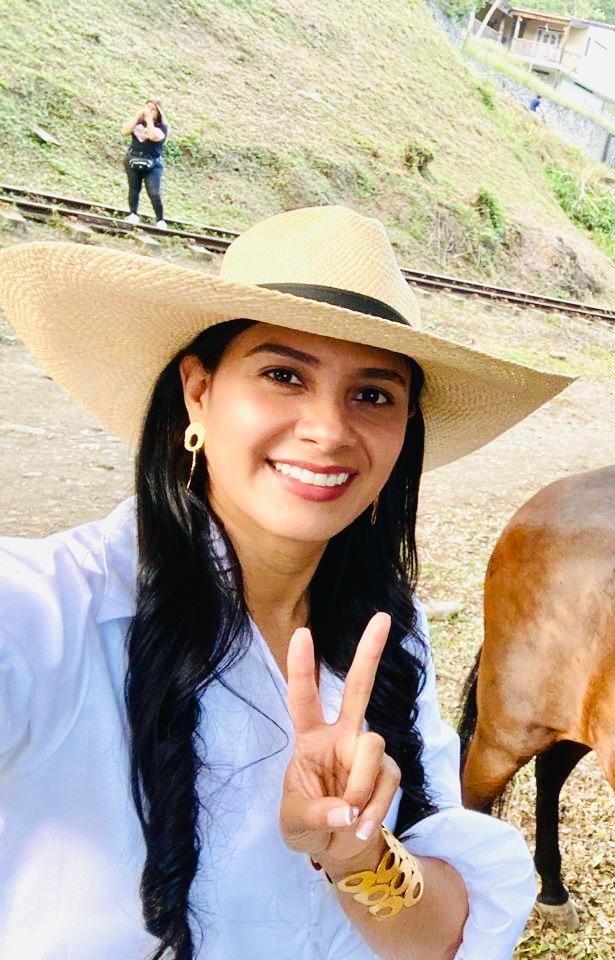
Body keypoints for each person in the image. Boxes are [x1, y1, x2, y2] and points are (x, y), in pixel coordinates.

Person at [0, 206, 572, 958]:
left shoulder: (388, 632)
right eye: (283, 375)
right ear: (198, 392)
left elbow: (434, 943)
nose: (328, 430)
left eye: (373, 394)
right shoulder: (52, 611)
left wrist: (359, 854)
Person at [122, 99, 169, 228]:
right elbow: (125, 131)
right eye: (147, 108)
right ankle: (133, 214)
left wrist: (149, 120)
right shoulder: (138, 123)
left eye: (152, 109)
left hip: (153, 164)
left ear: (158, 112)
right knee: (134, 189)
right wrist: (137, 117)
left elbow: (153, 136)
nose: (149, 111)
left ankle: (160, 219)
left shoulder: (162, 127)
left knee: (154, 192)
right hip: (133, 158)